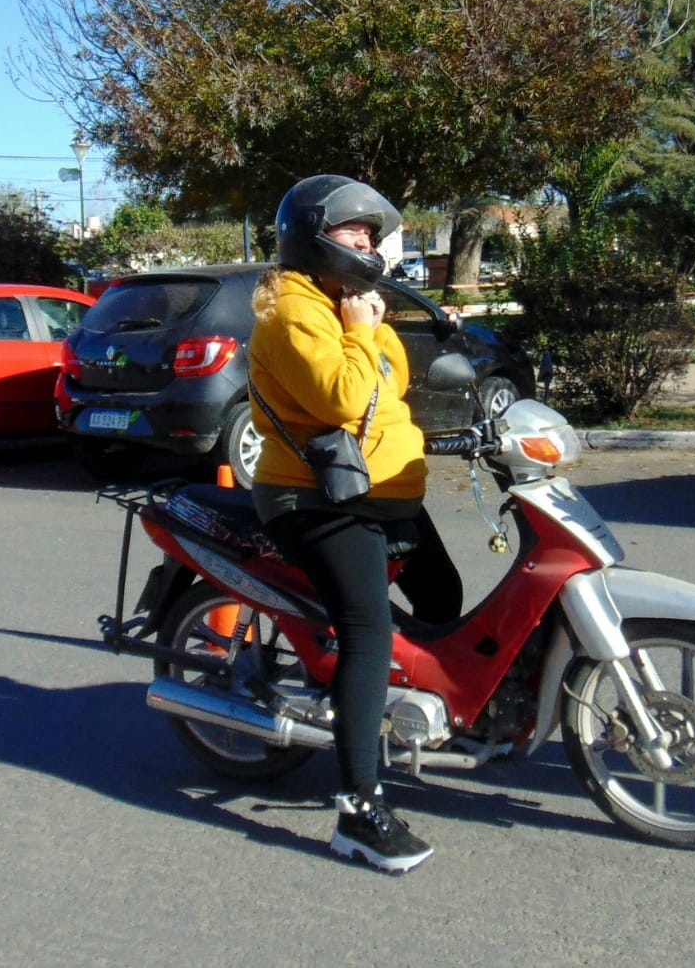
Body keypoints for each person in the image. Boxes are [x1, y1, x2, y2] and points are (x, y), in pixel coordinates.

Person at [248, 174, 462, 874]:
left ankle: (402, 708)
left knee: (442, 597)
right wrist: (362, 331)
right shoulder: (290, 310)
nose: (367, 244)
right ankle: (359, 810)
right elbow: (343, 394)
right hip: (313, 496)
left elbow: (389, 378)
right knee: (368, 629)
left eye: (371, 234)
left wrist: (367, 328)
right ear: (313, 237)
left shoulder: (340, 303)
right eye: (353, 233)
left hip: (381, 491)